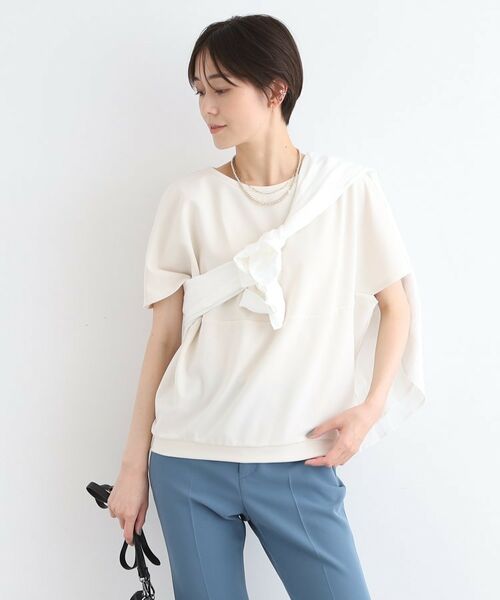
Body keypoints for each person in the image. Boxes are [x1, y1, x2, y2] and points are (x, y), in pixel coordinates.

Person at [107, 14, 425, 600]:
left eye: (221, 89)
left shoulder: (346, 190)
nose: (207, 107)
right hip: (189, 458)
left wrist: (369, 409)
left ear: (276, 90)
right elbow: (164, 338)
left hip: (298, 460)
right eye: (199, 91)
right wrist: (133, 468)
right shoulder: (188, 200)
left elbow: (395, 304)